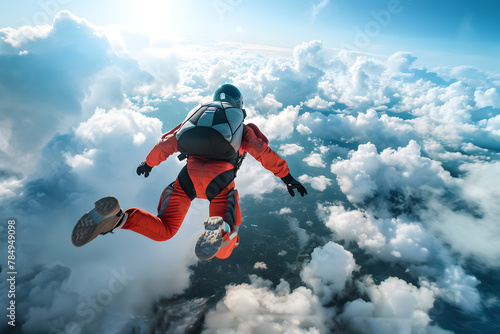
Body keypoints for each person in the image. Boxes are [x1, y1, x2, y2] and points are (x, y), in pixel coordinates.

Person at [72, 84, 307, 260]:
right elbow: (262, 152)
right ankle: (222, 229)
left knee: (164, 229)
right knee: (224, 251)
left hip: (187, 180)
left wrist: (148, 164)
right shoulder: (241, 128)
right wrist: (287, 177)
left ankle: (117, 219)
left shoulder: (199, 118)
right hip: (220, 183)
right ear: (240, 105)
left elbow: (168, 143)